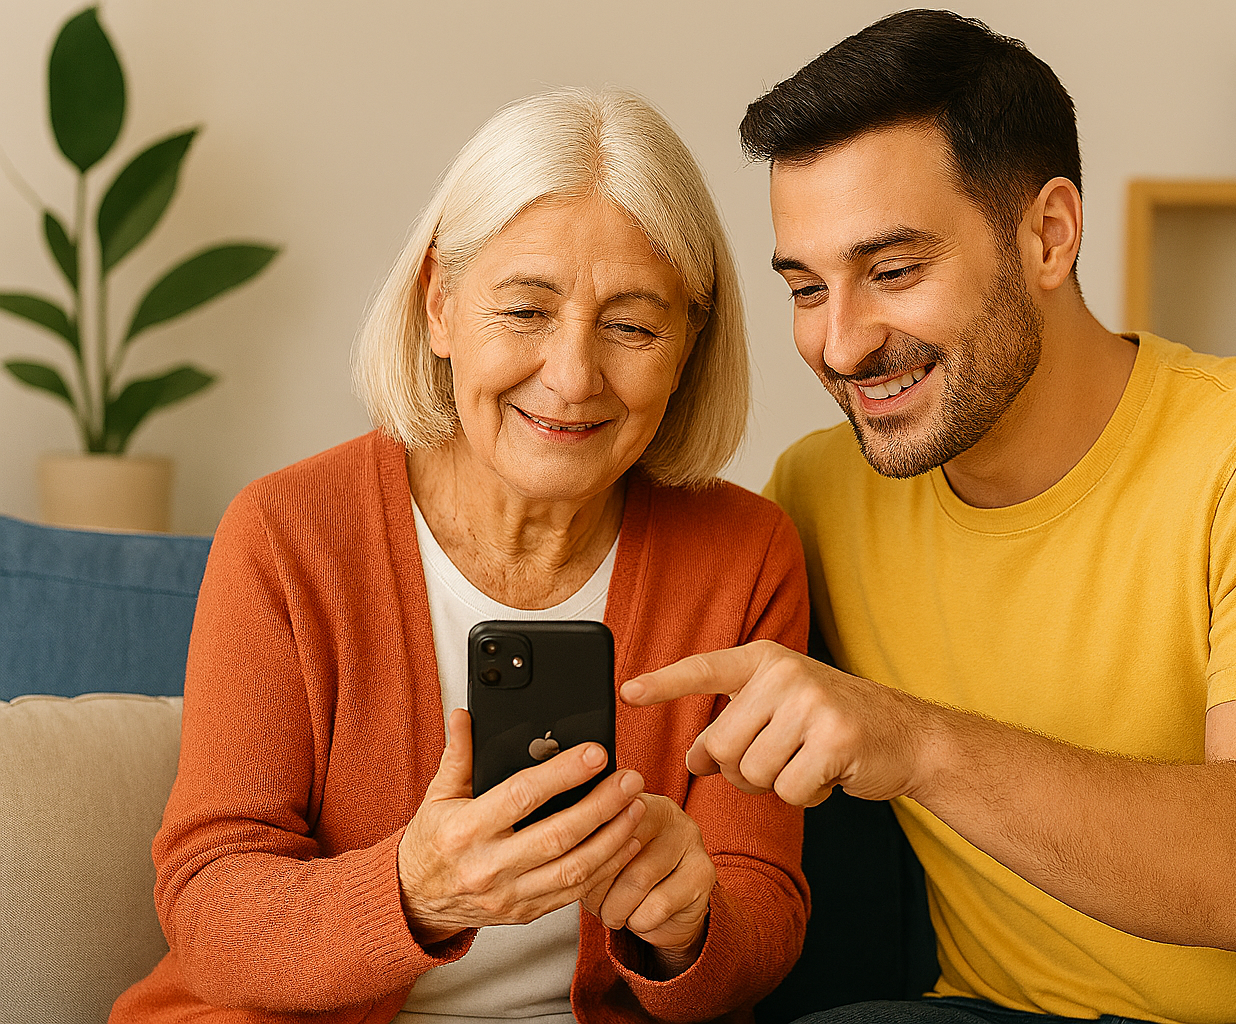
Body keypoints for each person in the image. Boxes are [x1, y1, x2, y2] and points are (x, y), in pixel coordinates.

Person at [622, 12, 1236, 1024]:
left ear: (1049, 235)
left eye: (895, 272)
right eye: (808, 287)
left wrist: (918, 743)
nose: (843, 342)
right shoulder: (820, 492)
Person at [111, 87, 809, 1024]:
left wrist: (688, 926)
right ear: (440, 305)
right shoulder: (286, 533)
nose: (570, 376)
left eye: (633, 326)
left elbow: (760, 905)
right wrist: (413, 888)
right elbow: (209, 904)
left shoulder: (746, 555)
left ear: (690, 343)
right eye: (525, 309)